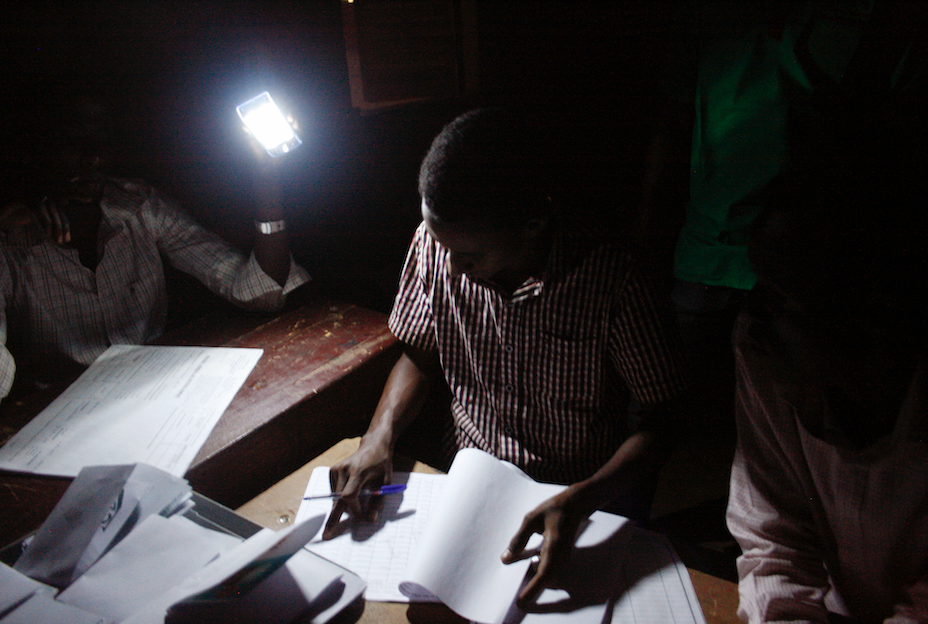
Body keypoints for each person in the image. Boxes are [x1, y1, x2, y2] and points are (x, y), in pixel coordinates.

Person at [323, 108, 691, 606]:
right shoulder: (440, 245)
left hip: (575, 487)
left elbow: (664, 418)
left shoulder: (613, 280)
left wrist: (586, 497)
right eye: (440, 242)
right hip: (467, 478)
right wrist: (378, 437)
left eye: (469, 255)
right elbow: (420, 356)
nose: (450, 266)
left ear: (533, 223)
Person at [0, 90, 311, 401]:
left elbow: (261, 293)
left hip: (158, 394)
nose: (93, 156)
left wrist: (267, 177)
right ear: (33, 148)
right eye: (71, 141)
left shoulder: (139, 207)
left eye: (100, 138)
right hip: (58, 412)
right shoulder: (10, 240)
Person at [725, 162, 928, 623]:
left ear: (872, 323)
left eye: (779, 298)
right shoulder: (765, 351)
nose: (752, 325)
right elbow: (772, 540)